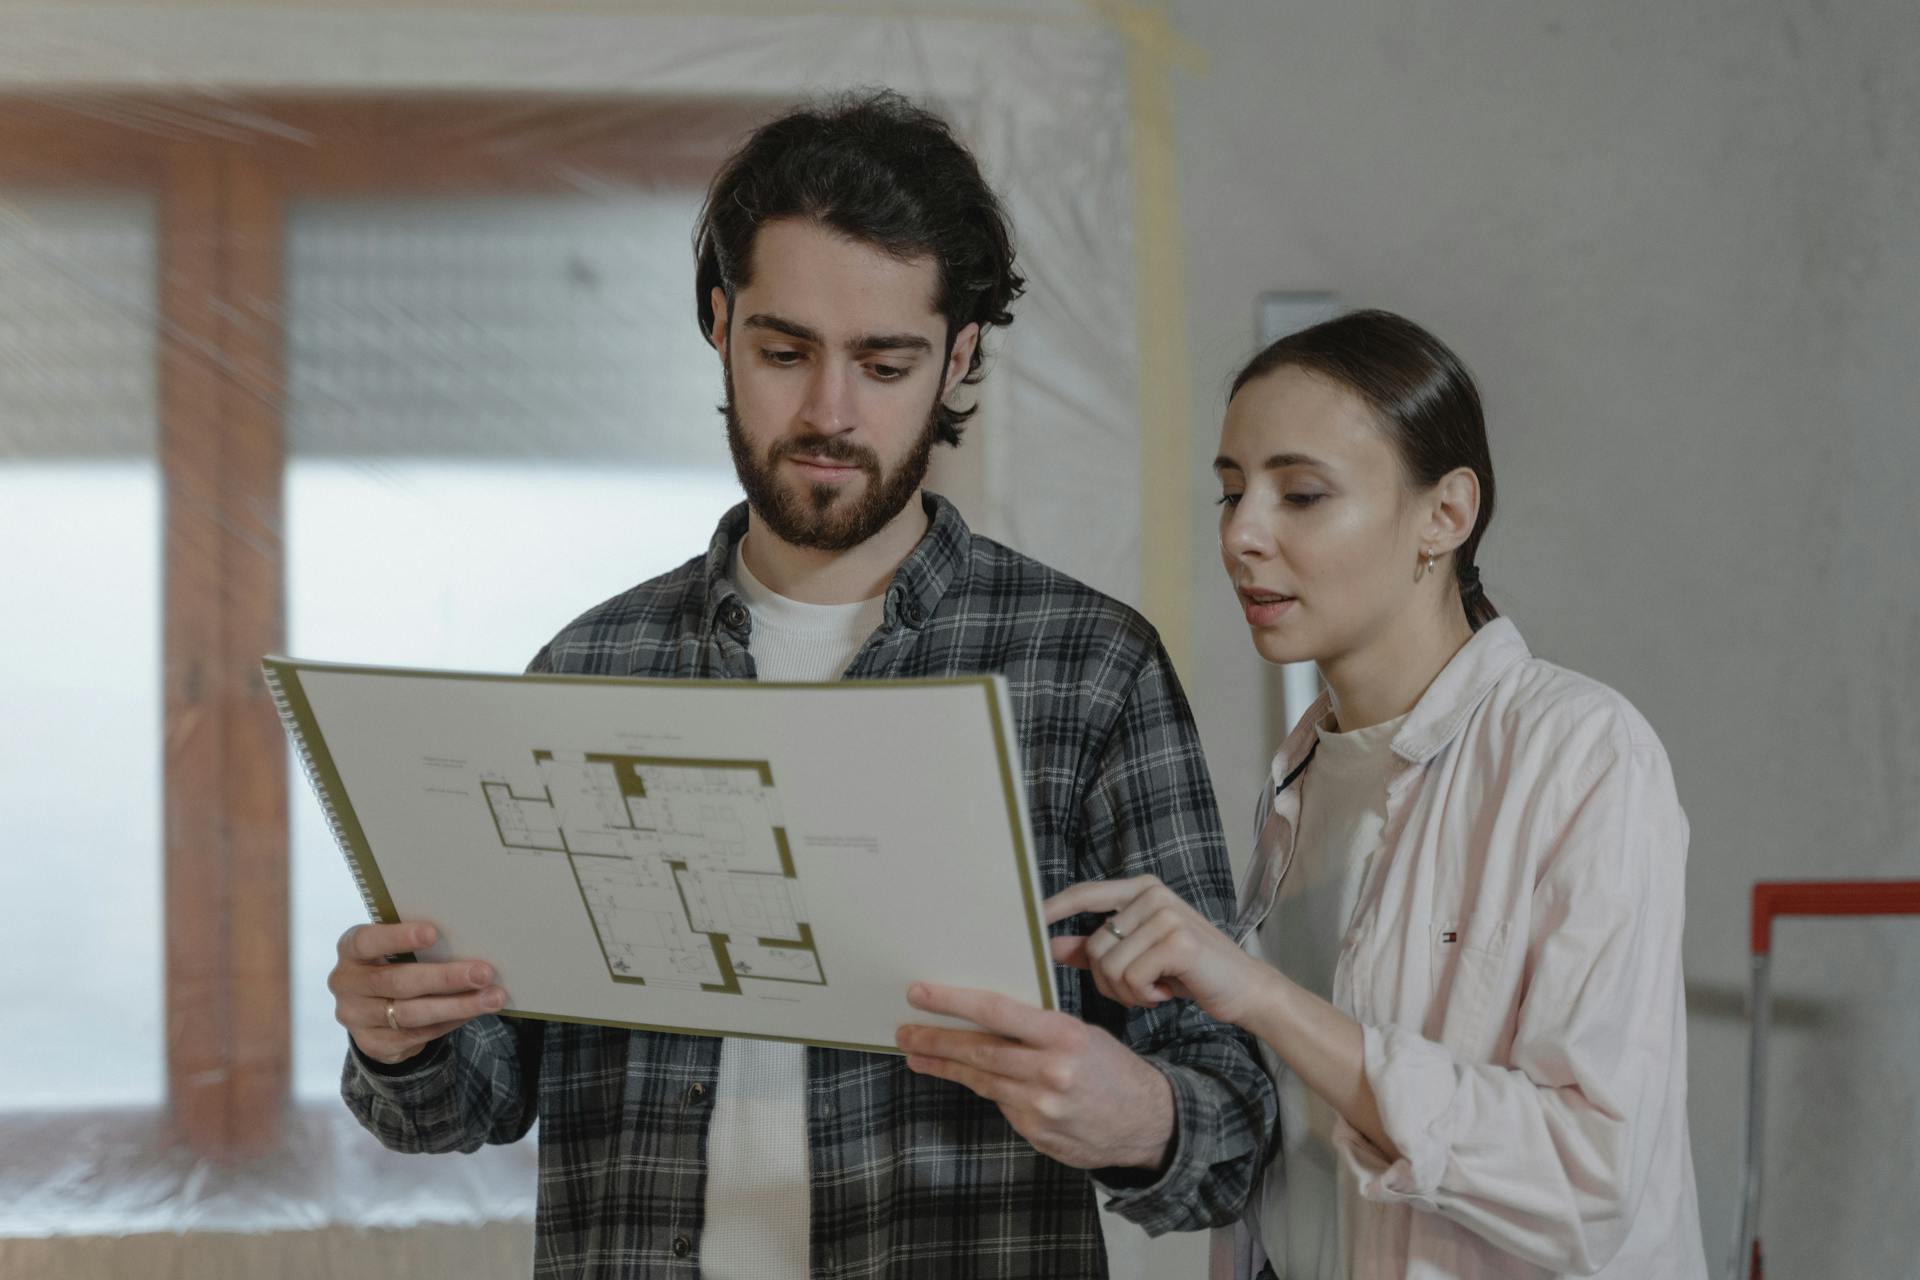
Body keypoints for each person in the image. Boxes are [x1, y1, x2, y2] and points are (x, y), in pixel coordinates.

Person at [326, 90, 1275, 1278]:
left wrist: (1137, 1111)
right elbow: (468, 1104)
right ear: (720, 325)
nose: (830, 412)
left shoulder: (1090, 668)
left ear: (961, 356)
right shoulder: (590, 665)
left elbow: (1234, 1125)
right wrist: (400, 1037)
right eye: (784, 352)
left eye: (886, 363)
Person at [1045, 310, 1708, 1279]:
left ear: (1445, 513)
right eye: (1230, 493)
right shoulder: (1304, 768)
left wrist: (1264, 998)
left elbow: (1589, 1173)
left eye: (1301, 494)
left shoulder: (1582, 751)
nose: (1243, 534)